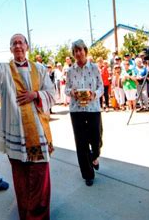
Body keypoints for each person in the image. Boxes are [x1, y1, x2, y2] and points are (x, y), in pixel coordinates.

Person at [0, 25, 55, 220]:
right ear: (10, 49)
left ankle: (39, 216)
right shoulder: (4, 70)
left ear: (27, 46)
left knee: (39, 177)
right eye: (14, 43)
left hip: (38, 133)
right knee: (20, 179)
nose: (18, 45)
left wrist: (35, 95)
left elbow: (52, 94)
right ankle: (25, 214)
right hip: (16, 134)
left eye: (21, 42)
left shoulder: (40, 69)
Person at [65, 39, 103, 187]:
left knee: (96, 138)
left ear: (85, 50)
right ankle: (88, 174)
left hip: (93, 108)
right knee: (81, 143)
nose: (78, 53)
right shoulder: (70, 70)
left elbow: (100, 86)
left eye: (80, 50)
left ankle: (95, 156)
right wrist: (72, 92)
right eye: (75, 51)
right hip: (76, 110)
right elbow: (66, 88)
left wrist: (95, 94)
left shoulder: (94, 68)